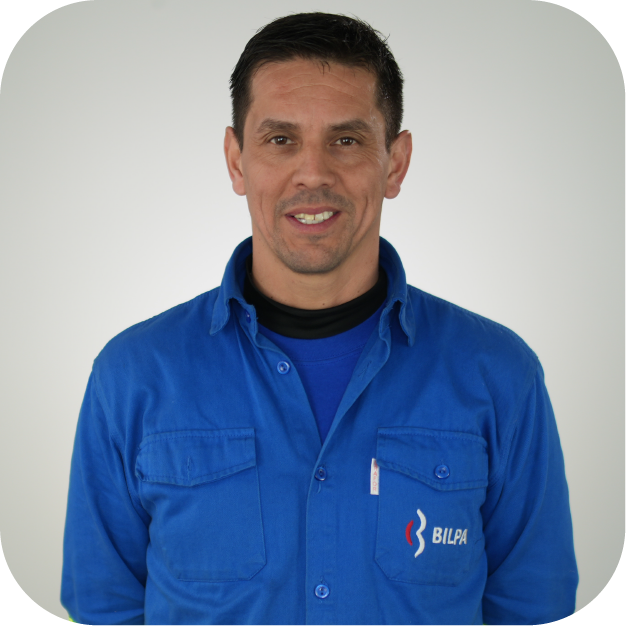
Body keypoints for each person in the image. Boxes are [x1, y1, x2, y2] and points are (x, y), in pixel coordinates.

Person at [61, 12, 578, 626]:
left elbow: (533, 607)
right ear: (236, 160)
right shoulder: (131, 377)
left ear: (395, 163)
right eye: (281, 140)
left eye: (347, 140)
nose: (313, 173)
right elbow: (104, 608)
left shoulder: (500, 375)